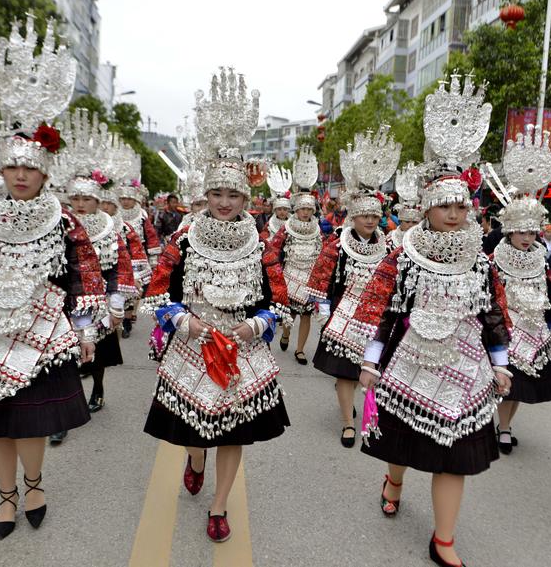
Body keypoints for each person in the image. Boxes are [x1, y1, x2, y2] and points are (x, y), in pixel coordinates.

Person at [0, 18, 105, 540]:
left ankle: (35, 485)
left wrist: (86, 330)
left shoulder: (64, 218)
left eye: (30, 170)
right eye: (13, 170)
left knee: (30, 420)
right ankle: (5, 495)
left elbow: (84, 276)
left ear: (45, 174)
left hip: (44, 327)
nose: (21, 176)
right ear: (2, 173)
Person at [352, 76, 511, 567]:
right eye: (445, 203)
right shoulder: (404, 255)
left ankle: (443, 538)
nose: (455, 212)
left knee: (455, 453)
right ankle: (394, 479)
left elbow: (492, 313)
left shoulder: (481, 259)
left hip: (465, 368)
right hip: (411, 360)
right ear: (426, 206)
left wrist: (501, 362)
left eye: (462, 204)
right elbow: (385, 310)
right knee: (403, 442)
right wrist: (371, 361)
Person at [141, 68, 290, 543]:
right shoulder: (183, 239)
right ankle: (193, 455)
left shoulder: (261, 243)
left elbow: (278, 301)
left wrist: (257, 327)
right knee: (193, 429)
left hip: (241, 349)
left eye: (233, 194)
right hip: (192, 346)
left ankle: (220, 504)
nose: (224, 202)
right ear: (204, 195)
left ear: (247, 197)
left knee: (234, 433)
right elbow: (157, 294)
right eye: (217, 193)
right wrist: (182, 321)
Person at [308, 125, 398, 448]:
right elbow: (320, 277)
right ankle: (348, 421)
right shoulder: (337, 243)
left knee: (370, 367)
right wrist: (322, 310)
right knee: (345, 371)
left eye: (375, 217)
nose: (370, 222)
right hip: (344, 312)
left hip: (377, 316)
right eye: (365, 217)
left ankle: (363, 408)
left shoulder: (388, 248)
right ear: (354, 218)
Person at [50, 117, 138, 443]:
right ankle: (63, 414)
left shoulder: (108, 227)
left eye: (88, 199)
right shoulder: (58, 223)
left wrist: (116, 300)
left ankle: (98, 388)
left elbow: (118, 264)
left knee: (97, 354)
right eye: (77, 199)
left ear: (99, 201)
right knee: (65, 356)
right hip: (65, 300)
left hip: (99, 298)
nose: (82, 204)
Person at [487, 125, 551, 455]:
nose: (527, 238)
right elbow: (487, 293)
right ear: (510, 231)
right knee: (501, 379)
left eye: (532, 232)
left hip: (530, 329)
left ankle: (505, 426)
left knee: (519, 387)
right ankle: (491, 421)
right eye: (521, 232)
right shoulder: (495, 258)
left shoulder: (541, 259)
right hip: (503, 327)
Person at [271, 152, 322, 365]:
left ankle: (300, 349)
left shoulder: (318, 227)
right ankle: (285, 334)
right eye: (302, 208)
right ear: (296, 209)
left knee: (307, 315)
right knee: (290, 314)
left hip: (309, 276)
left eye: (309, 208)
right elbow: (274, 250)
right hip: (290, 275)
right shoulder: (287, 227)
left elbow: (322, 252)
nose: (306, 212)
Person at [118, 179, 160, 337]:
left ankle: (127, 322)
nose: (125, 201)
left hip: (136, 256)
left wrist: (154, 257)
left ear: (134, 199)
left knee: (133, 290)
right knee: (120, 289)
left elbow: (150, 235)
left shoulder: (141, 215)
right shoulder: (114, 214)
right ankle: (120, 317)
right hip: (117, 257)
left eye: (128, 198)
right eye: (123, 199)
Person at [387, 167, 422, 250]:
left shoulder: (424, 241)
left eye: (414, 222)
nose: (410, 225)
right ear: (399, 221)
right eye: (407, 222)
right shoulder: (390, 238)